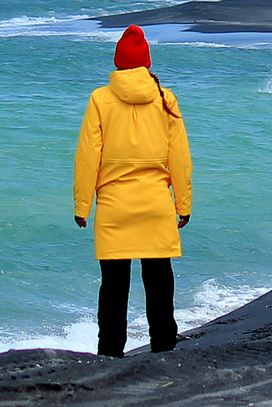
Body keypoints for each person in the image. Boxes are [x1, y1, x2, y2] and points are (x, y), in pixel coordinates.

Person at [73, 24, 192, 357]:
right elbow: (180, 159)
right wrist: (183, 204)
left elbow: (87, 158)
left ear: (118, 63)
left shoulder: (100, 99)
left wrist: (83, 206)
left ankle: (110, 357)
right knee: (159, 285)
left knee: (113, 290)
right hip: (156, 207)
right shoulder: (165, 100)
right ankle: (164, 350)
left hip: (114, 209)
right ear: (146, 64)